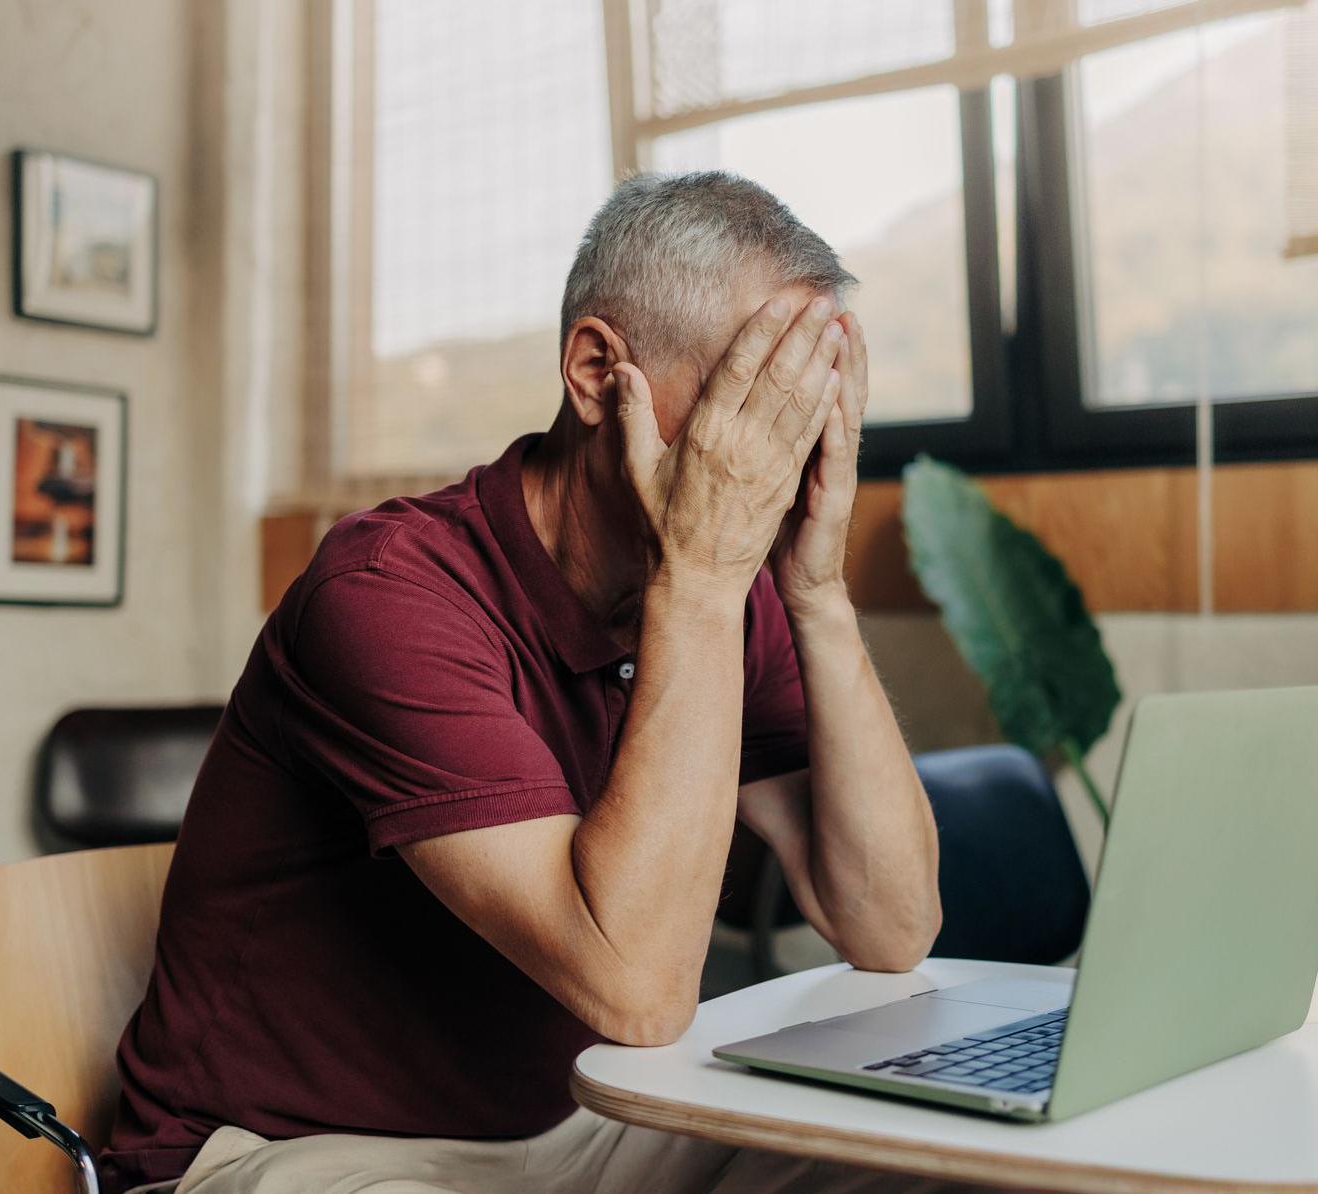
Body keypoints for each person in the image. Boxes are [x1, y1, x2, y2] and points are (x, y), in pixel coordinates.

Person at [104, 172, 974, 1193]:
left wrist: (817, 590)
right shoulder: (388, 593)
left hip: (585, 1119)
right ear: (599, 373)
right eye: (755, 393)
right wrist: (698, 580)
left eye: (808, 399)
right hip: (295, 1151)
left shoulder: (734, 590)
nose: (782, 447)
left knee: (939, 1172)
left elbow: (892, 925)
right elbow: (641, 992)